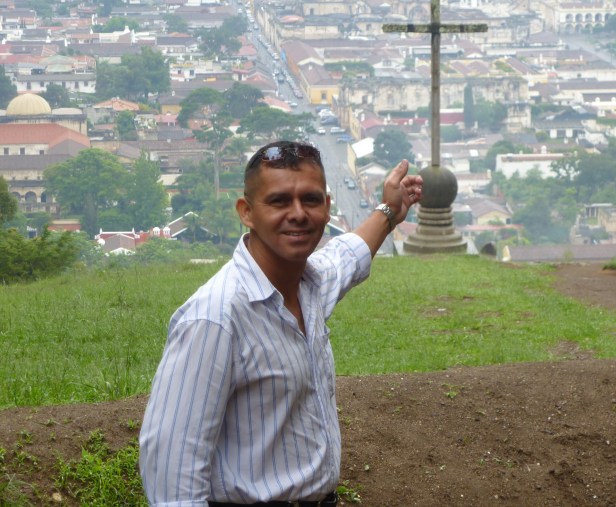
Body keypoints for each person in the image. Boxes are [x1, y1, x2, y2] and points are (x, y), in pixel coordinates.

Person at [139, 140, 423, 506]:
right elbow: (172, 479)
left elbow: (347, 256)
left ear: (327, 207)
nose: (298, 214)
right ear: (246, 211)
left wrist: (388, 210)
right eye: (278, 201)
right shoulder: (214, 318)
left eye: (310, 200)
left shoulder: (309, 285)